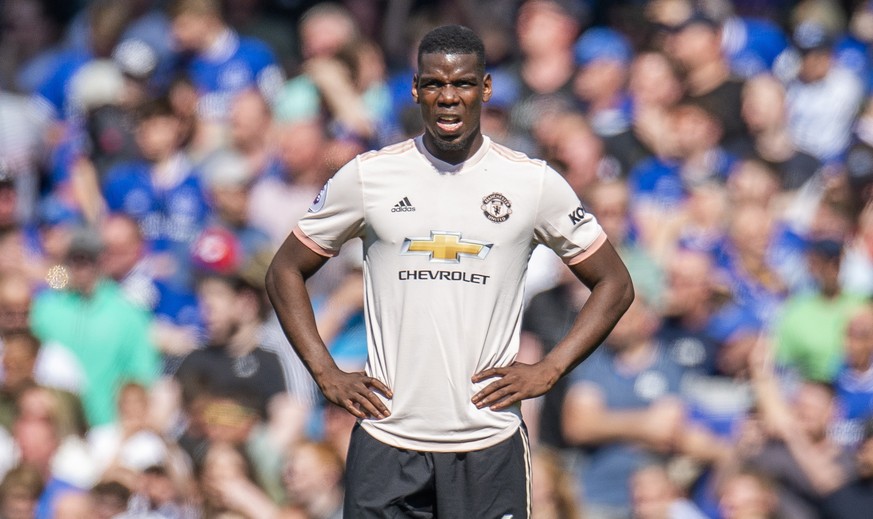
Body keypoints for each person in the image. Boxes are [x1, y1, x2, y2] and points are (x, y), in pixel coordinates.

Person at [265, 24, 634, 517]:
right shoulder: (370, 176)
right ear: (416, 89)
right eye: (434, 84)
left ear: (484, 88)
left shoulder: (531, 182)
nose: (448, 97)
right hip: (386, 436)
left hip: (488, 441)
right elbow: (284, 270)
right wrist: (325, 373)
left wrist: (551, 367)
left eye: (462, 83)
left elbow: (615, 283)